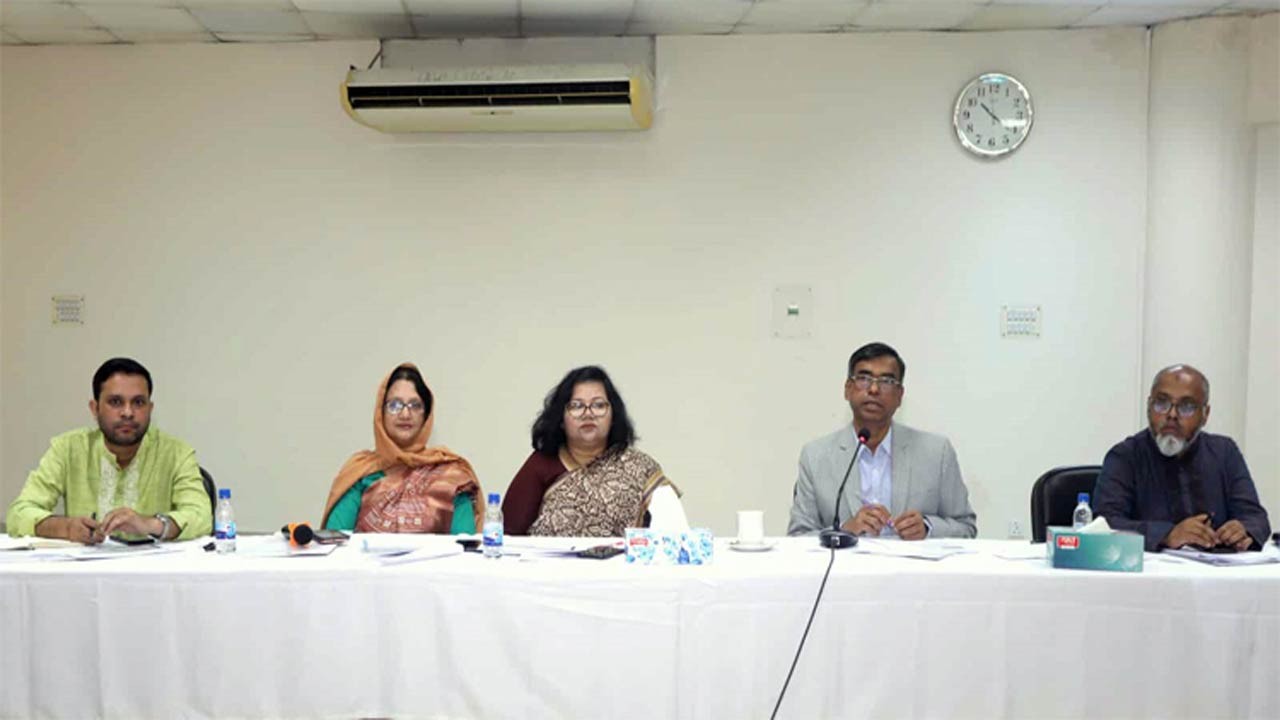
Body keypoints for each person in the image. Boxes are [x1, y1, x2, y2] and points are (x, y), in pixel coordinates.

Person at [6, 357, 212, 543]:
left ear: (150, 409)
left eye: (138, 402)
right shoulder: (68, 449)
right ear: (95, 409)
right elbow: (19, 513)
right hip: (82, 569)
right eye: (116, 402)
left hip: (153, 570)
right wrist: (66, 528)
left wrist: (150, 525)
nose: (128, 413)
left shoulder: (177, 453)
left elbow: (201, 516)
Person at [788, 342, 977, 540]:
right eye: (864, 378)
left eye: (886, 381)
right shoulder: (816, 456)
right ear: (848, 389)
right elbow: (798, 536)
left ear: (900, 396)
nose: (874, 389)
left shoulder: (936, 453)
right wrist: (844, 530)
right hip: (847, 561)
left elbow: (966, 527)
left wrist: (928, 528)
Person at [1093, 364, 1270, 552]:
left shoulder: (1224, 452)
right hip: (1151, 569)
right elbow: (1104, 525)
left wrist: (1243, 530)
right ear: (1149, 407)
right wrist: (1166, 535)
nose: (1171, 414)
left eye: (1187, 407)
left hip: (1216, 567)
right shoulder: (1124, 456)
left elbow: (1255, 518)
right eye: (1161, 403)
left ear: (1205, 414)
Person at [503, 365, 685, 536]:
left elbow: (676, 533)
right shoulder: (541, 465)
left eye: (598, 405)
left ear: (613, 417)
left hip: (622, 561)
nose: (588, 413)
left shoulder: (641, 468)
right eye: (577, 406)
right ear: (561, 419)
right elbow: (506, 535)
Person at [321, 363, 482, 534]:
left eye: (415, 405)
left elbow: (464, 544)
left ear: (426, 414)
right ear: (381, 413)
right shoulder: (360, 472)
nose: (405, 414)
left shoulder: (452, 476)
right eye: (395, 405)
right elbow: (334, 539)